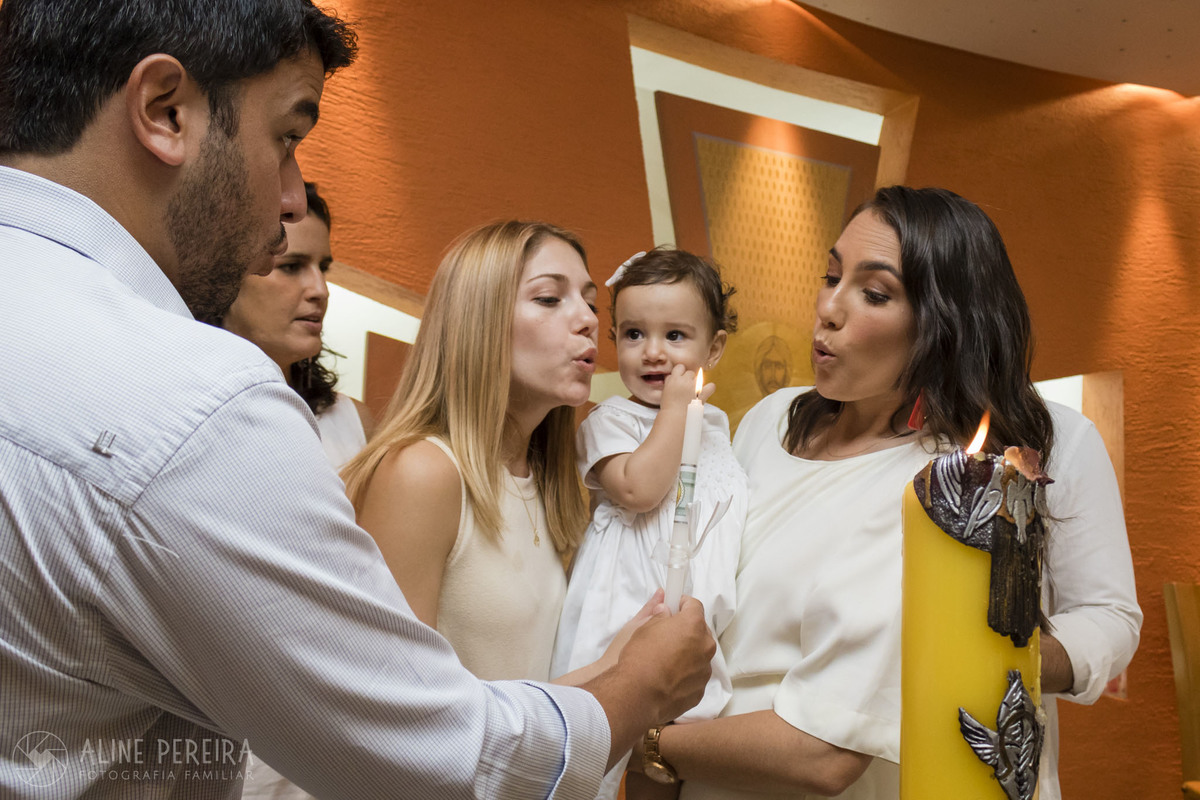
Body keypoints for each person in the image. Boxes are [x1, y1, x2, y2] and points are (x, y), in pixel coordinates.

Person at [0, 2, 714, 798]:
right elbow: (420, 754)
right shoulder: (196, 404)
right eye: (287, 139)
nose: (292, 197)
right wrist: (640, 687)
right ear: (165, 111)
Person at [622, 186, 1142, 800]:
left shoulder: (1030, 447)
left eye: (873, 293)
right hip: (721, 771)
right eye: (831, 276)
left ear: (944, 322)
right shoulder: (770, 419)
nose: (829, 310)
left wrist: (988, 657)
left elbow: (1109, 617)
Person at [550, 248, 747, 800]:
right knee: (607, 755)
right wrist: (675, 415)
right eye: (634, 334)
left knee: (670, 755)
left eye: (675, 336)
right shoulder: (610, 419)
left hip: (689, 612)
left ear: (715, 348)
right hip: (626, 608)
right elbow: (640, 490)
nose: (653, 352)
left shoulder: (716, 427)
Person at [219, 181, 375, 471]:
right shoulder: (188, 413)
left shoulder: (353, 421)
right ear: (225, 277)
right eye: (292, 267)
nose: (321, 290)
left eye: (323, 268)